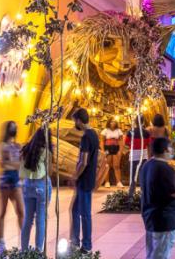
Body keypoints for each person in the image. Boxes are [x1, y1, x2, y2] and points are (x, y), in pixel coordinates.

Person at [140, 137, 175, 259]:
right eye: (171, 148)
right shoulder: (165, 169)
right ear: (165, 150)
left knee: (152, 253)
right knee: (161, 254)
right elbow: (174, 193)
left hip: (151, 217)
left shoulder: (147, 165)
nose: (172, 151)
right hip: (165, 220)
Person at [71, 108, 100, 252]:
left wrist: (75, 175)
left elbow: (84, 161)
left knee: (85, 213)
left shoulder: (86, 137)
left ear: (78, 120)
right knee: (75, 210)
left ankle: (86, 245)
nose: (74, 123)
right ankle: (75, 241)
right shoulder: (94, 134)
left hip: (84, 180)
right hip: (88, 178)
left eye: (74, 120)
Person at [0, 121, 25, 255]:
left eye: (15, 127)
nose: (14, 129)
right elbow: (3, 164)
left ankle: (24, 243)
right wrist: (15, 164)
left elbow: (21, 164)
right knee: (2, 212)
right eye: (12, 127)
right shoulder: (1, 145)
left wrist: (12, 164)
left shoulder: (18, 145)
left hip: (16, 181)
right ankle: (1, 244)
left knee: (21, 212)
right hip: (5, 181)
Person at [20, 128, 52, 251]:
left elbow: (22, 167)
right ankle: (38, 251)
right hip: (42, 186)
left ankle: (24, 250)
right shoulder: (46, 151)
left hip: (28, 186)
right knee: (40, 219)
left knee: (28, 219)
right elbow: (49, 171)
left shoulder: (25, 149)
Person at [127, 121, 151, 191]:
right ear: (143, 123)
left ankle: (131, 193)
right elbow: (149, 145)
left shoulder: (130, 132)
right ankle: (143, 193)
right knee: (142, 175)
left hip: (133, 156)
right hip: (143, 156)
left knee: (132, 175)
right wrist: (149, 157)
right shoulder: (146, 133)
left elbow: (126, 143)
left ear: (135, 122)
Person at [101, 118, 124, 188]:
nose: (112, 123)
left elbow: (121, 141)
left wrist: (120, 150)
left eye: (114, 122)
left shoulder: (119, 131)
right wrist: (103, 151)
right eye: (111, 122)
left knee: (116, 165)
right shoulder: (105, 131)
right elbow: (102, 141)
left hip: (116, 148)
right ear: (109, 122)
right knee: (107, 165)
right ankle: (107, 182)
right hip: (107, 148)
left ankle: (118, 182)